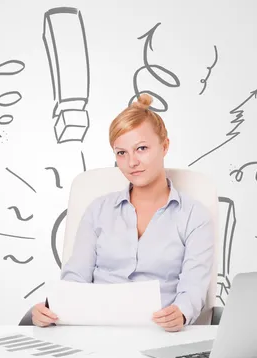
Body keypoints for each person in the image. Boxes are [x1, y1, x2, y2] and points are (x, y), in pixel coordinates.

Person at [32, 93, 215, 332]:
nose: (131, 162)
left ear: (165, 146)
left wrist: (180, 313)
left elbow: (193, 289)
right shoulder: (98, 210)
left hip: (160, 334)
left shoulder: (194, 216)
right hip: (96, 332)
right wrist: (50, 309)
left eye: (141, 148)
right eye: (121, 153)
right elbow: (75, 279)